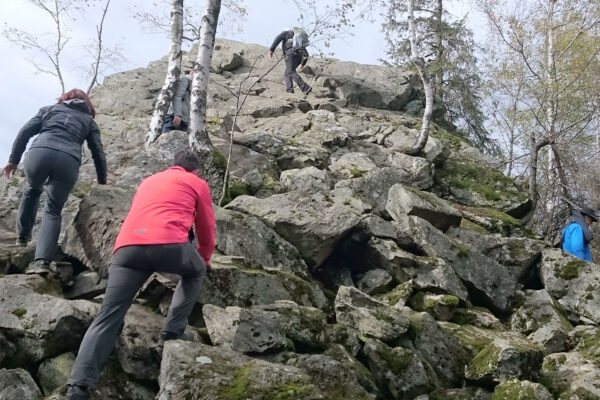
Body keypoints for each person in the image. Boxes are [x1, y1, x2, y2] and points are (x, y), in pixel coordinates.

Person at [65, 150, 215, 400]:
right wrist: (204, 256)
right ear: (196, 170)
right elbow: (206, 227)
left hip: (128, 249)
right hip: (170, 245)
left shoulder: (149, 181)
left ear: (172, 165)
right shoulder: (197, 183)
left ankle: (78, 386)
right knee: (196, 271)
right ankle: (171, 333)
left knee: (108, 316)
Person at [2, 89, 107, 274]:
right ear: (87, 105)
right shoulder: (88, 121)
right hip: (68, 159)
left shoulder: (49, 110)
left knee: (32, 190)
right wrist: (102, 181)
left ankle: (22, 237)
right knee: (53, 210)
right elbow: (97, 151)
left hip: (39, 153)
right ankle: (42, 262)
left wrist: (13, 160)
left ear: (64, 99)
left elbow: (25, 132)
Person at [268, 28, 312, 95]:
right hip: (299, 56)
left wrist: (272, 49)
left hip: (291, 53)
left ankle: (305, 87)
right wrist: (303, 63)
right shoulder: (297, 42)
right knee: (287, 73)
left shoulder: (286, 33)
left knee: (291, 72)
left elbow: (278, 38)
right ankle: (290, 91)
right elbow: (306, 53)